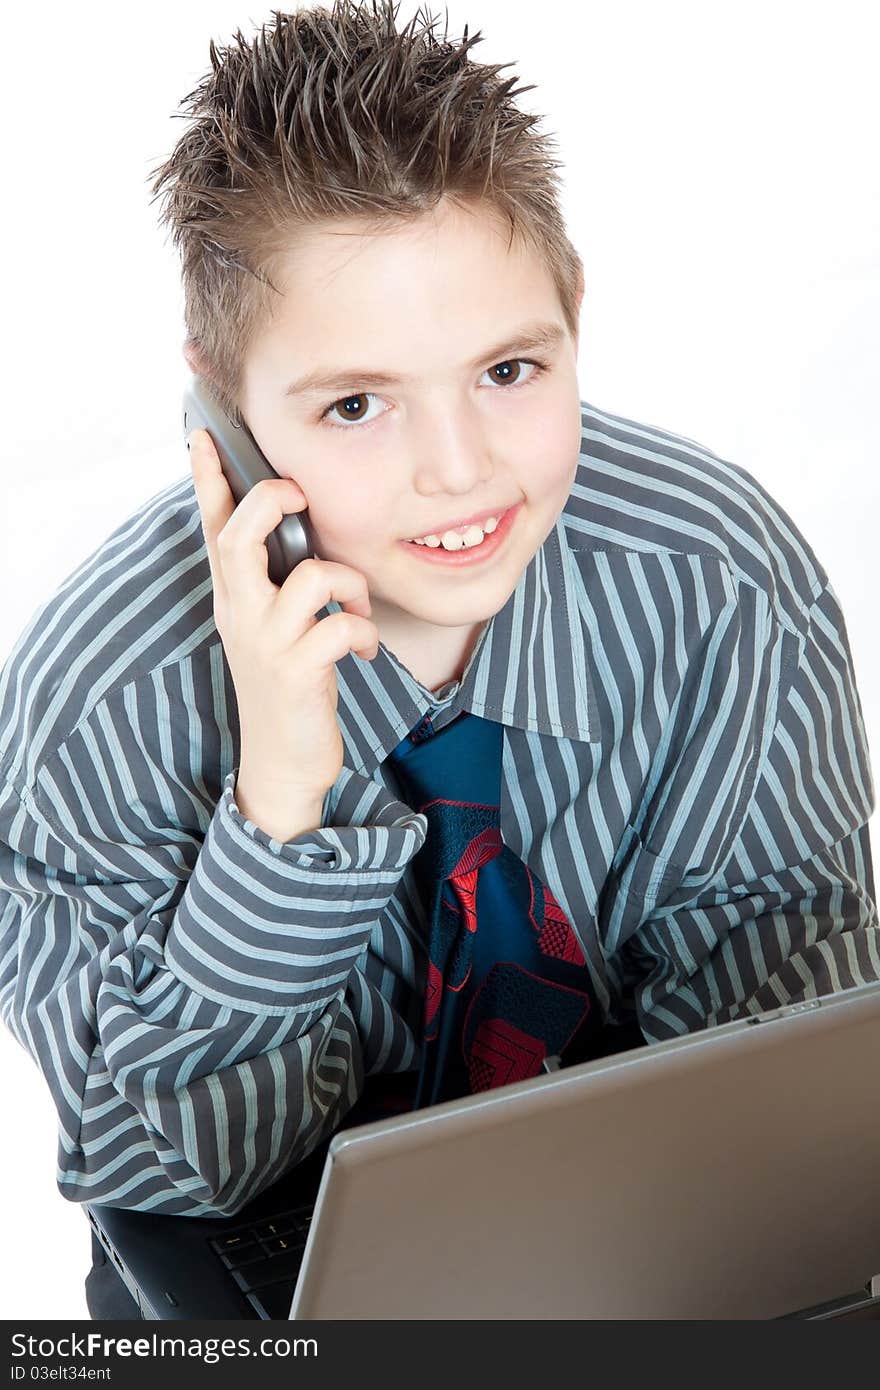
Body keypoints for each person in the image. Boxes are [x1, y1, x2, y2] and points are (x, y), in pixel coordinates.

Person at [0, 0, 877, 1321]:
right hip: (254, 1283)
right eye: (356, 403)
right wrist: (278, 812)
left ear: (575, 314)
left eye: (510, 368)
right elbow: (172, 1175)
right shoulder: (95, 708)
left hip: (645, 1242)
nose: (461, 470)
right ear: (222, 412)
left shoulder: (720, 588)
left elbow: (782, 1060)